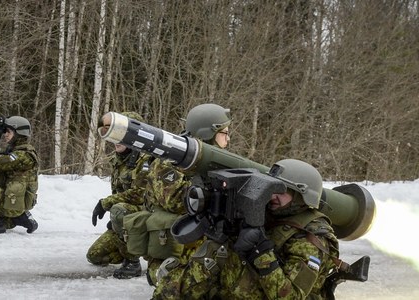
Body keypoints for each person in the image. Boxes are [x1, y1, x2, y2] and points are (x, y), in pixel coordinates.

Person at [152, 159, 341, 299]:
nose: (272, 196)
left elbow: (290, 296)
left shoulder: (311, 238)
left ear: (302, 196)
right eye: (271, 188)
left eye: (281, 192)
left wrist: (260, 252)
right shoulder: (264, 213)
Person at [119, 103, 232, 284]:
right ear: (208, 134)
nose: (228, 139)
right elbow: (178, 202)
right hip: (174, 252)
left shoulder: (215, 162)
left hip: (202, 247)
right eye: (225, 133)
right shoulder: (170, 161)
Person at [86, 111, 152, 279]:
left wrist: (106, 204)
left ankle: (132, 262)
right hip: (128, 215)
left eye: (121, 135)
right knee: (95, 256)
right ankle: (127, 244)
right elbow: (119, 192)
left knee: (119, 210)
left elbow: (139, 195)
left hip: (147, 216)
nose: (115, 140)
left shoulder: (145, 160)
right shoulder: (119, 158)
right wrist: (117, 224)